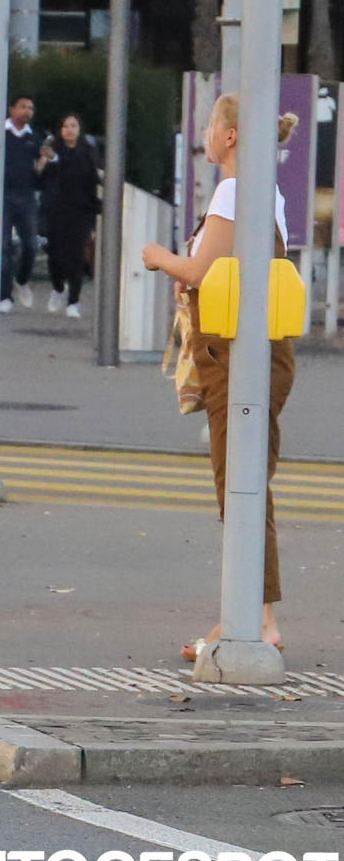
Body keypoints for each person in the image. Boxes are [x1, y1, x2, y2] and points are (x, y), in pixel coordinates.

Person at [140, 94, 297, 660]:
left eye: (209, 125)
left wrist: (158, 255)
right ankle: (249, 614)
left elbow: (200, 270)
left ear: (230, 136)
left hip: (238, 358)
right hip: (253, 355)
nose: (204, 134)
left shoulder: (235, 190)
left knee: (242, 487)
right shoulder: (263, 192)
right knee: (245, 484)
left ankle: (256, 620)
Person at [40, 114, 103, 317]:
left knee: (76, 255)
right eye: (65, 125)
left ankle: (73, 302)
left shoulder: (88, 151)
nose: (69, 129)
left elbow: (95, 176)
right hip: (56, 210)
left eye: (73, 125)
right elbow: (41, 175)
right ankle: (58, 287)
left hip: (81, 210)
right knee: (55, 255)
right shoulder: (52, 150)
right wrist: (46, 160)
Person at [0, 96, 47, 312]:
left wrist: (44, 162)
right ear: (12, 108)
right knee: (4, 247)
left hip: (26, 197)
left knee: (31, 245)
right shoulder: (0, 133)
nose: (28, 111)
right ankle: (4, 296)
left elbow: (40, 172)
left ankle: (21, 279)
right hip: (3, 197)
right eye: (23, 106)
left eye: (31, 107)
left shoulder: (34, 138)